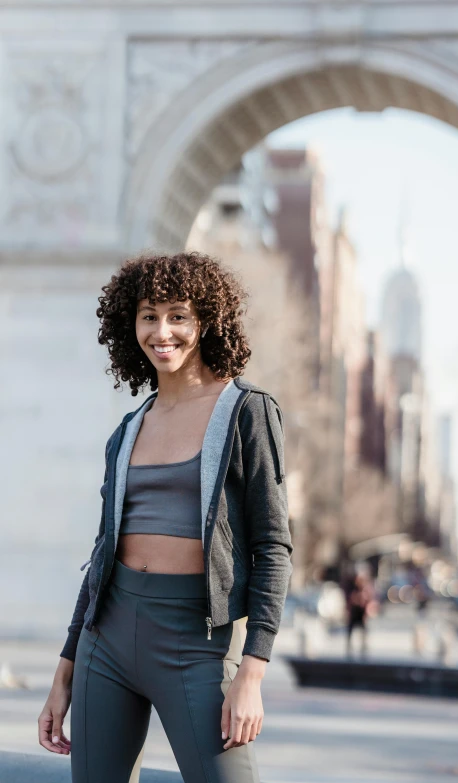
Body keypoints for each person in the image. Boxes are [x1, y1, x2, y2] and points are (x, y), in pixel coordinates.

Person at [37, 251, 293, 783]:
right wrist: (64, 669)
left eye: (178, 315)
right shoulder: (128, 429)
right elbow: (103, 553)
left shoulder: (247, 412)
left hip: (196, 644)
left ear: (206, 320)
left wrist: (252, 672)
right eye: (149, 315)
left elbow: (273, 547)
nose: (163, 331)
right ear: (128, 323)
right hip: (105, 642)